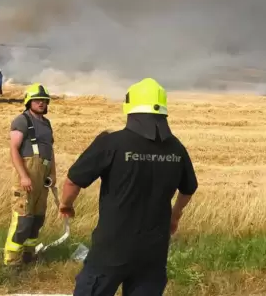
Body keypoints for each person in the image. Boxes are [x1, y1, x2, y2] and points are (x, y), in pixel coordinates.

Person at [59, 78, 198, 296]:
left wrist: (66, 205)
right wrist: (174, 216)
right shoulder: (176, 148)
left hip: (111, 250)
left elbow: (72, 181)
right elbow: (188, 189)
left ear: (130, 109)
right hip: (153, 252)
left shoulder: (112, 143)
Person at [3, 83, 56, 267]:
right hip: (26, 177)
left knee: (37, 220)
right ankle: (11, 262)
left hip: (42, 179)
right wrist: (24, 176)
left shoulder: (47, 123)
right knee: (23, 221)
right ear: (29, 102)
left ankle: (28, 257)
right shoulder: (22, 121)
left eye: (44, 100)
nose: (41, 103)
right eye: (37, 100)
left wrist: (53, 175)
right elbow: (14, 150)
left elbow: (51, 151)